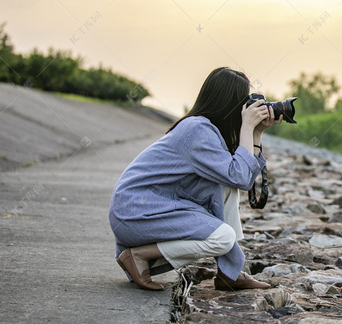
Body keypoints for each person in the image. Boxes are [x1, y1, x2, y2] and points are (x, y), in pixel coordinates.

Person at [108, 67, 281, 291]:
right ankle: (138, 255)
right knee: (223, 238)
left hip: (152, 207)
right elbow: (239, 175)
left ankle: (230, 273)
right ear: (228, 103)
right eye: (243, 102)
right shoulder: (197, 130)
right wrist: (247, 126)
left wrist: (257, 132)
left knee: (226, 189)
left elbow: (242, 181)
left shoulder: (208, 132)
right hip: (135, 210)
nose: (245, 109)